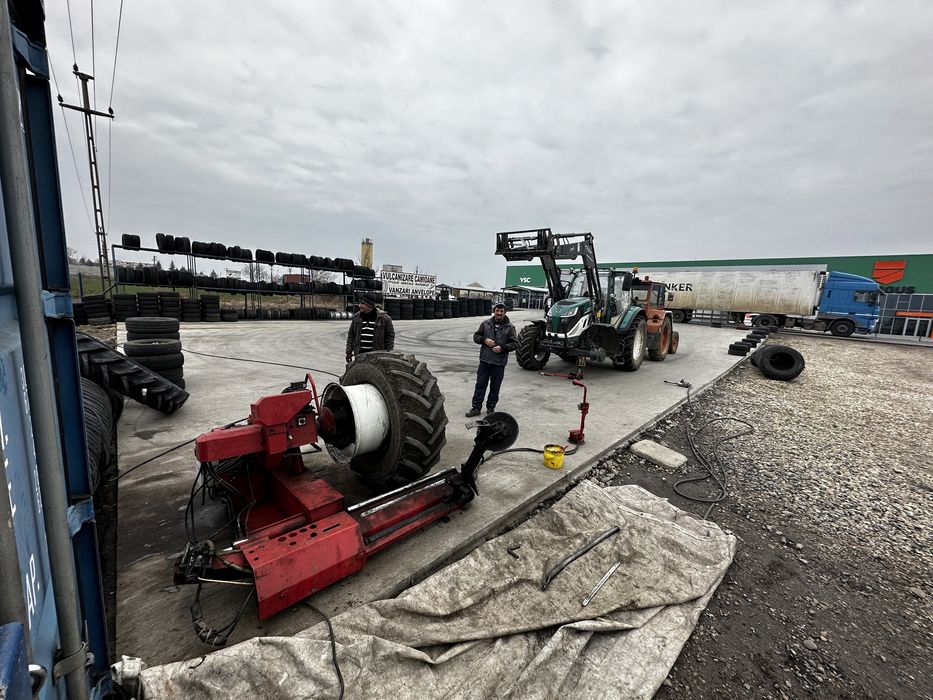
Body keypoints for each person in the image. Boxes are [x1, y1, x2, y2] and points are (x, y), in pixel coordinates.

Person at [466, 302, 517, 417]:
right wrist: (484, 340)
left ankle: (490, 408)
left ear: (505, 313)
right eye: (497, 311)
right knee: (480, 386)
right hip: (484, 361)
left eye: (501, 311)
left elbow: (515, 344)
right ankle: (476, 408)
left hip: (499, 363)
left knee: (495, 387)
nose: (499, 313)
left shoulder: (510, 327)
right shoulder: (486, 323)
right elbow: (476, 336)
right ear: (494, 311)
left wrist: (502, 348)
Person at [346, 294, 395, 363]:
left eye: (362, 303)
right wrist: (349, 351)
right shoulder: (356, 317)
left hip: (376, 357)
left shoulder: (384, 318)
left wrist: (388, 353)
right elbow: (351, 335)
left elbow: (390, 337)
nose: (359, 306)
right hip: (360, 355)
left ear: (369, 305)